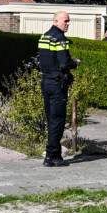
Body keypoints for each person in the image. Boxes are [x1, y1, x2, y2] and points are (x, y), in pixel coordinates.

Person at [38, 11, 80, 166]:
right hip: (57, 84)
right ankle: (50, 156)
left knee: (51, 119)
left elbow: (46, 59)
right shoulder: (61, 39)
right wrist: (74, 63)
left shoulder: (44, 37)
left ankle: (55, 155)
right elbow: (64, 63)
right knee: (58, 120)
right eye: (65, 21)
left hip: (46, 81)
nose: (67, 23)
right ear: (56, 21)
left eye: (69, 21)